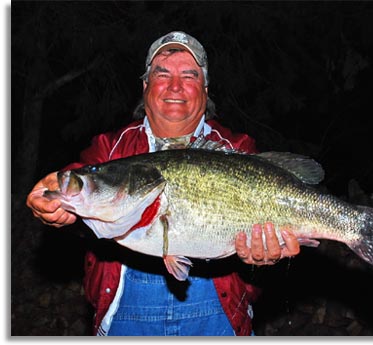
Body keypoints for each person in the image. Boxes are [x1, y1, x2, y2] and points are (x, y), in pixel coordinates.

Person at [26, 31, 300, 336]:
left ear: (205, 90)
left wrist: (261, 256)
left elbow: (258, 248)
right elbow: (83, 175)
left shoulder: (235, 149)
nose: (175, 86)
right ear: (145, 86)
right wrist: (53, 201)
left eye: (189, 75)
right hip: (125, 322)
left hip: (218, 321)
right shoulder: (111, 147)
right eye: (162, 73)